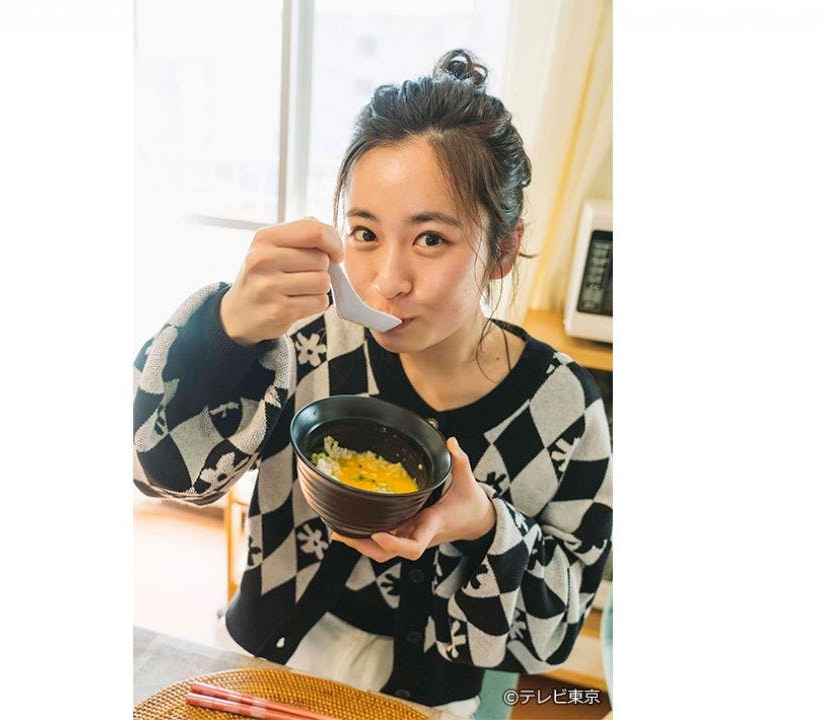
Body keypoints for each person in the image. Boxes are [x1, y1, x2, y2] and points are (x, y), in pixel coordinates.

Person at [132, 49, 612, 718]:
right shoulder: (305, 340)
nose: (388, 281)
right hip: (267, 661)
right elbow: (158, 472)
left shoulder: (564, 408)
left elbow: (552, 635)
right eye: (364, 232)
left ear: (504, 249)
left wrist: (483, 524)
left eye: (431, 239)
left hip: (433, 696)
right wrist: (226, 329)